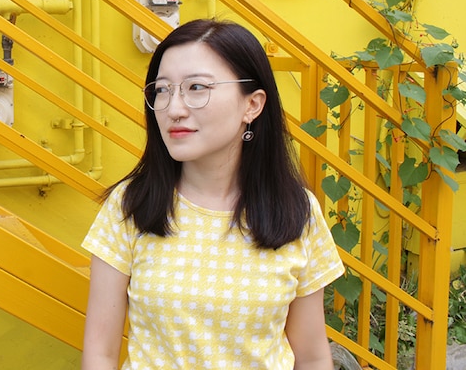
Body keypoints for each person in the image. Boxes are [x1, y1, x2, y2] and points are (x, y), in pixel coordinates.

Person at [81, 19, 344, 370]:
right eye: (162, 90)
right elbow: (100, 354)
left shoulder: (296, 212)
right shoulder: (132, 205)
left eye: (196, 87)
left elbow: (311, 357)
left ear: (252, 105)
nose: (174, 108)